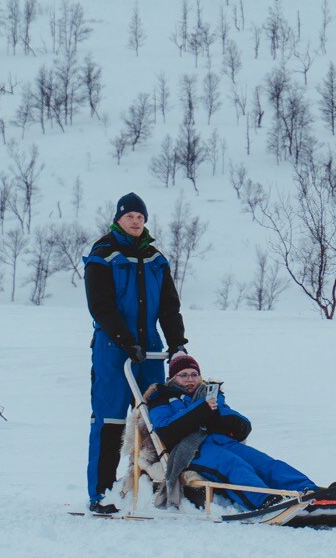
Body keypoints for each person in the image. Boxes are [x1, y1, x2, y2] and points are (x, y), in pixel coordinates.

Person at [83, 192, 186, 513]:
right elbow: (101, 306)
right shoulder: (102, 255)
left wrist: (177, 343)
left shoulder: (156, 259)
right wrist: (125, 340)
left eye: (141, 217)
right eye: (130, 217)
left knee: (155, 423)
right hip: (113, 351)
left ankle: (153, 489)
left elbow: (169, 306)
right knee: (110, 421)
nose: (136, 222)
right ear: (119, 219)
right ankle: (101, 494)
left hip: (150, 352)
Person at [136, 351, 320, 515]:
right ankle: (265, 501)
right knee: (233, 465)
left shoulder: (210, 394)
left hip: (222, 441)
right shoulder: (162, 398)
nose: (190, 379)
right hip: (190, 450)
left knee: (265, 463)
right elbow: (166, 431)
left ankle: (310, 490)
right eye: (183, 375)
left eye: (194, 374)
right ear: (172, 378)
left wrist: (218, 416)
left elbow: (241, 426)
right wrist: (202, 410)